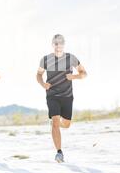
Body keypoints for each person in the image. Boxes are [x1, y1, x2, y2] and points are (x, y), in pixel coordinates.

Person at [37, 34, 87, 163]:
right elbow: (38, 74)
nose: (58, 45)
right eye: (56, 42)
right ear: (52, 44)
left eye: (61, 42)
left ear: (64, 44)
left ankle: (57, 124)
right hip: (52, 95)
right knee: (55, 122)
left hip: (67, 96)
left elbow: (84, 73)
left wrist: (74, 77)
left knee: (66, 124)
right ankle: (59, 153)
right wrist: (43, 84)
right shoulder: (46, 60)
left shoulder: (71, 58)